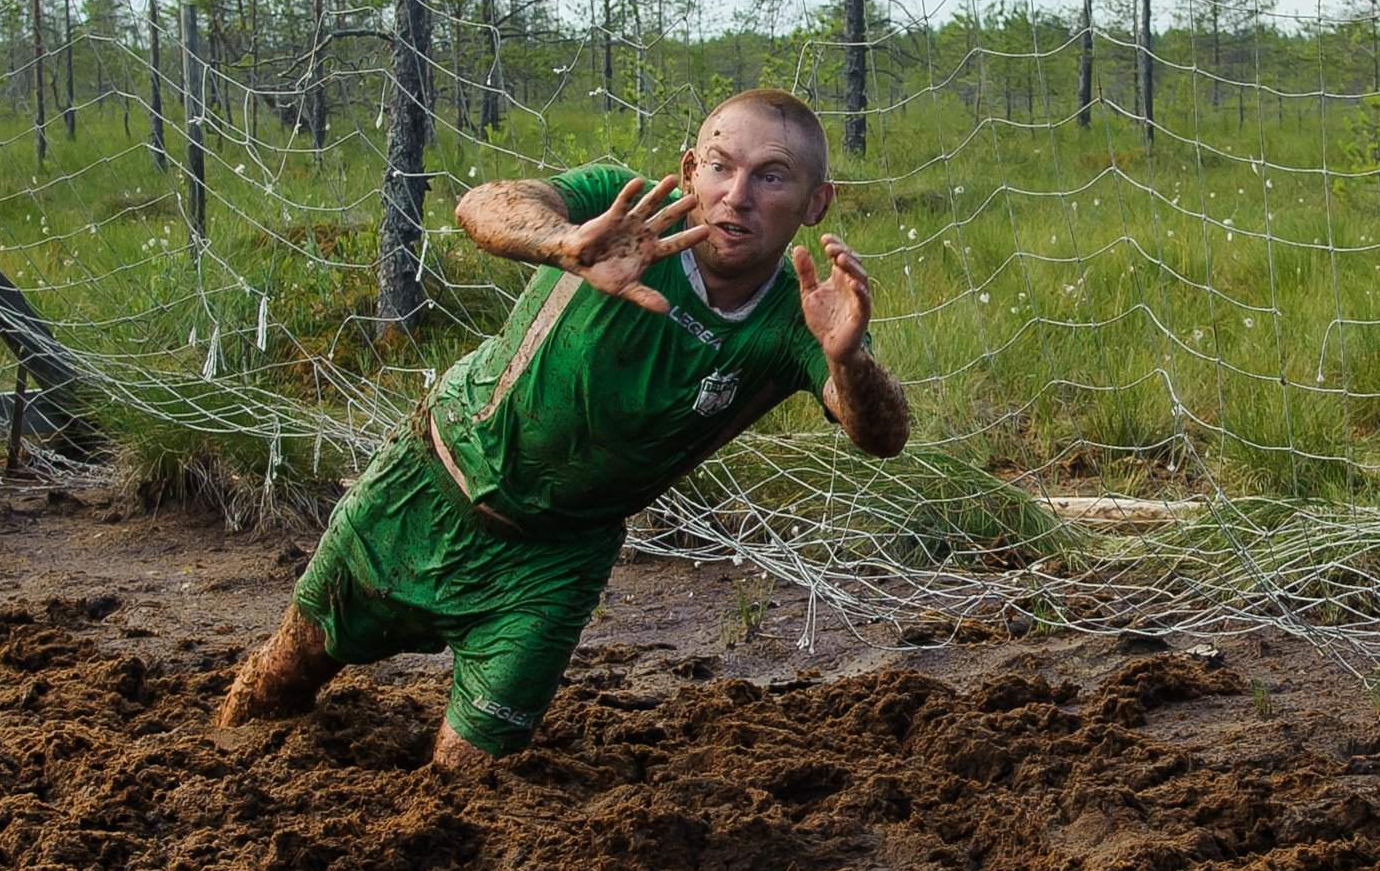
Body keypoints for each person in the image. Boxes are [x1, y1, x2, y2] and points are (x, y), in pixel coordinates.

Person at [217, 87, 910, 770]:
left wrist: (847, 361)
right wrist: (563, 241)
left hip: (553, 564)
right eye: (722, 165)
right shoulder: (622, 208)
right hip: (426, 484)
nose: (737, 194)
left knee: (470, 780)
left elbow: (881, 433)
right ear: (691, 167)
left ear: (816, 202)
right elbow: (482, 203)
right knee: (278, 685)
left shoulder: (800, 315)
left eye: (773, 177)